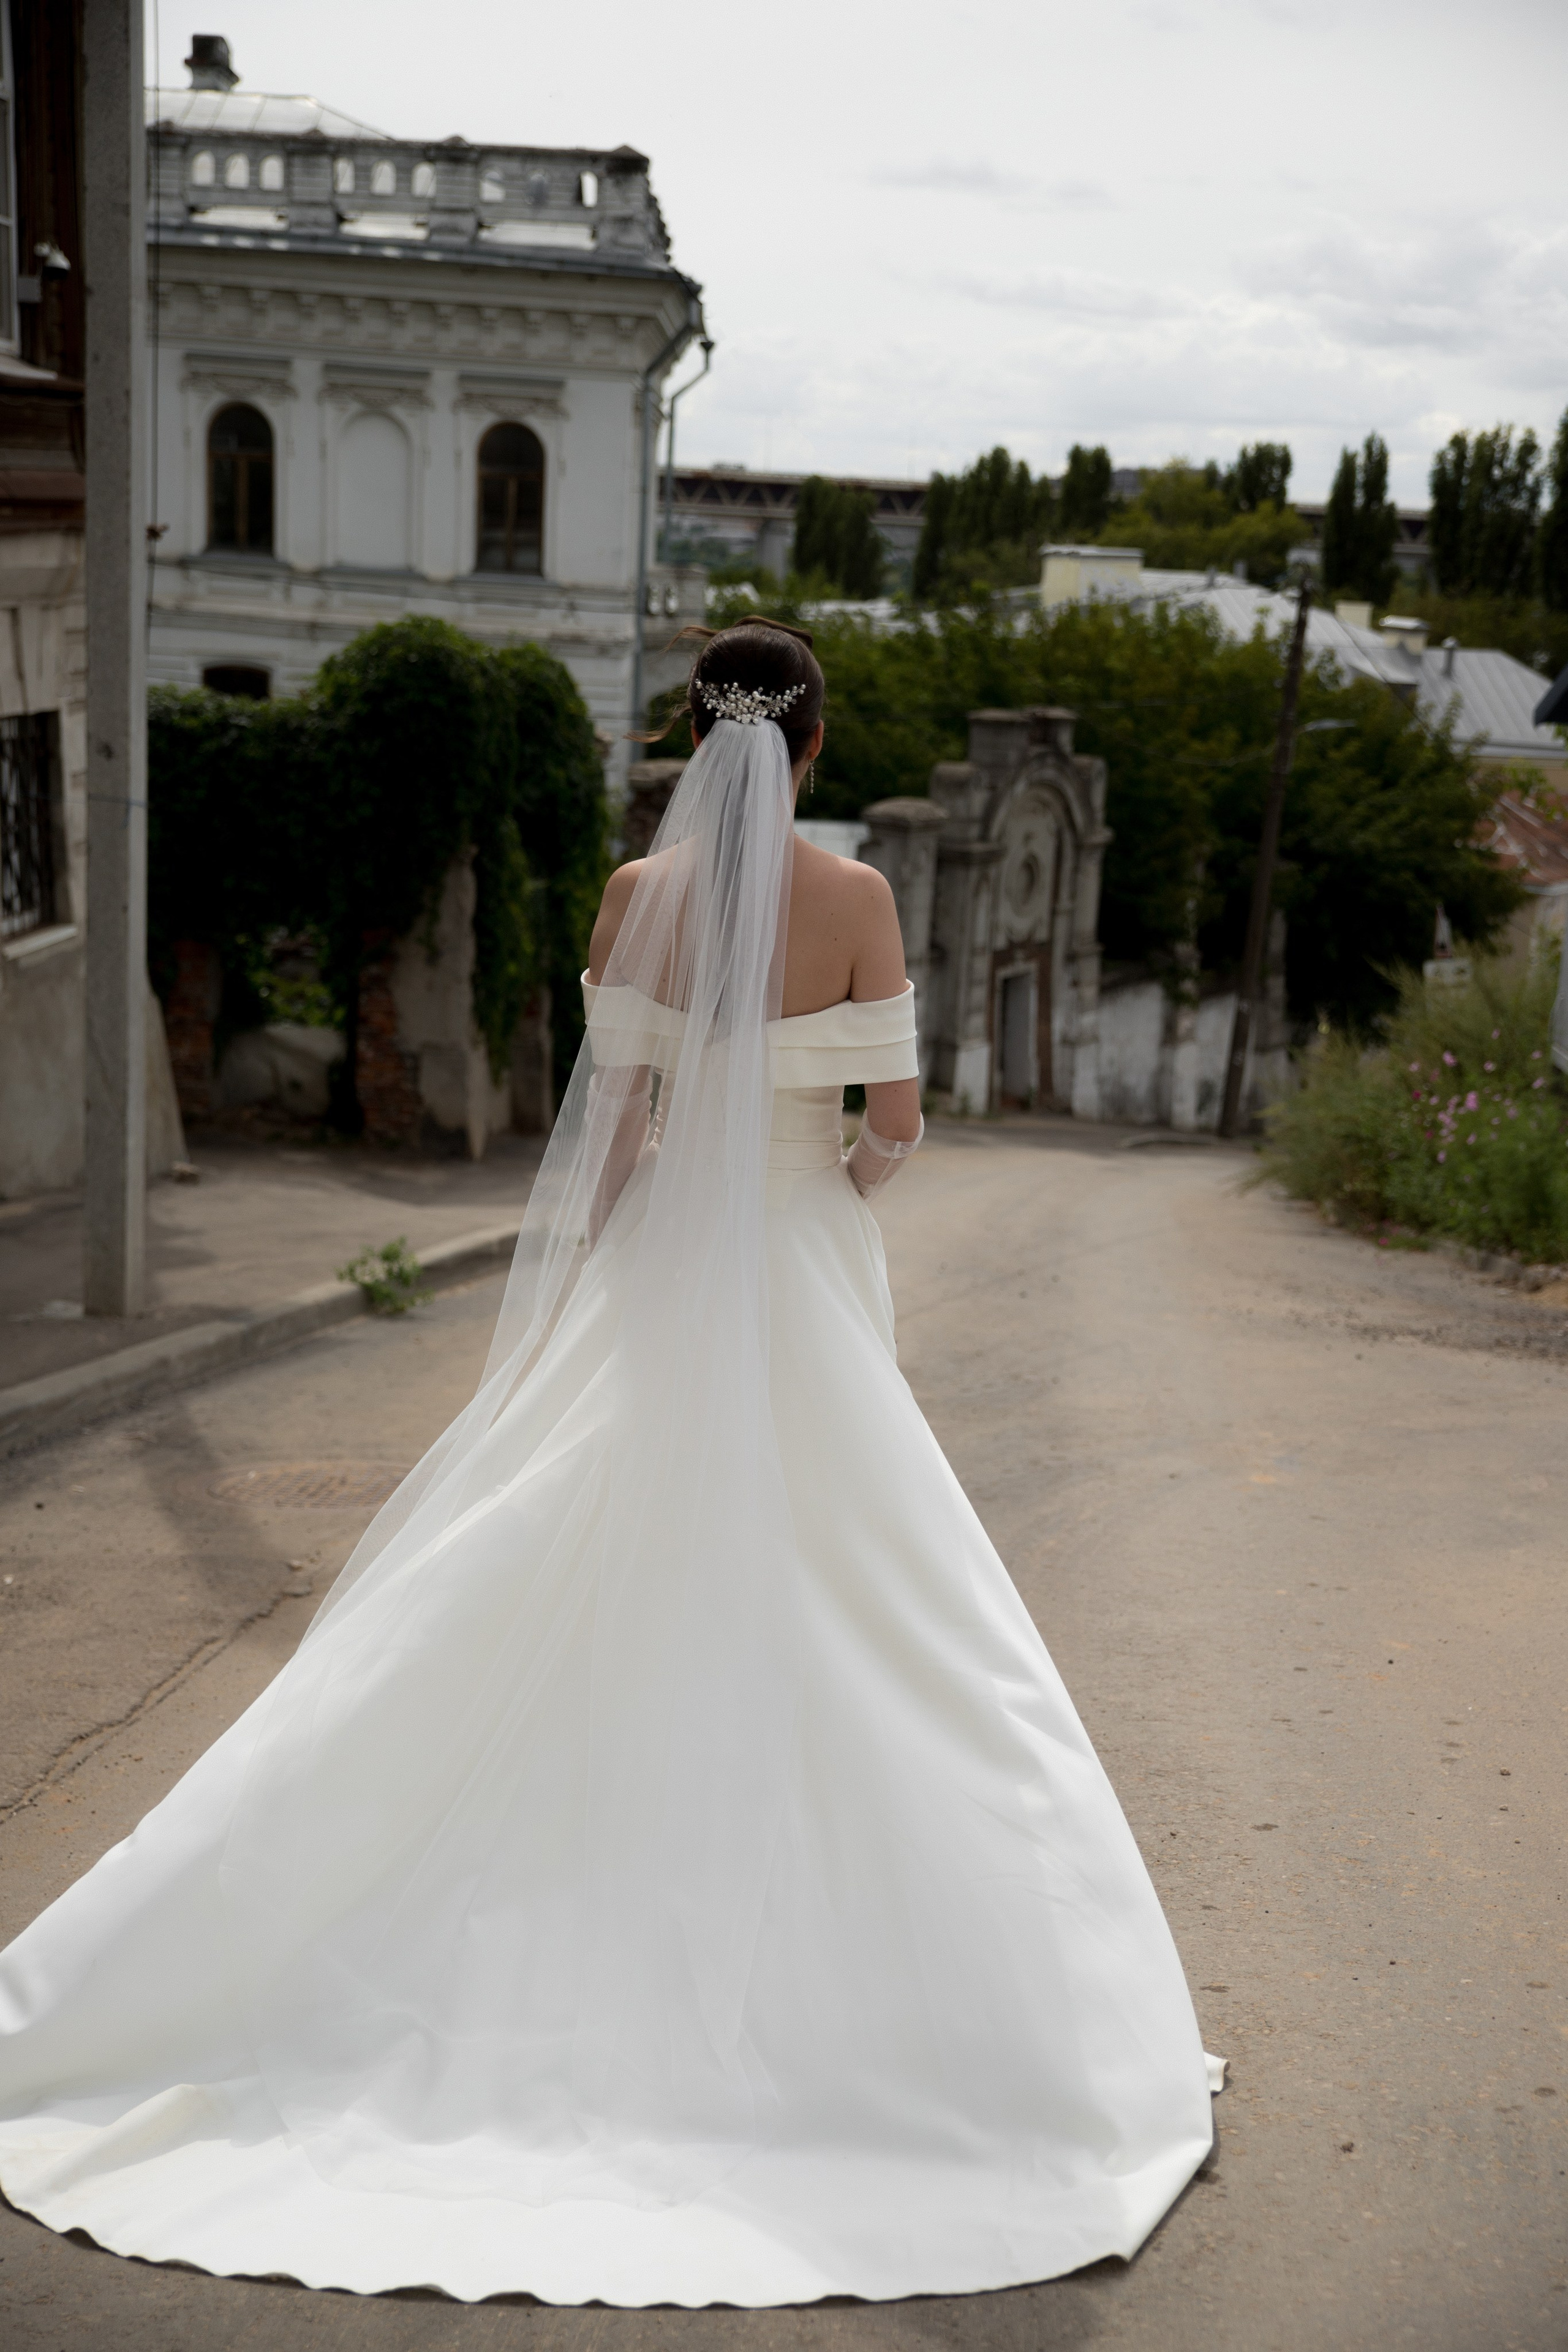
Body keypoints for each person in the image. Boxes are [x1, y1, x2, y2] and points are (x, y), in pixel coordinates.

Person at [0, 619, 1219, 2309]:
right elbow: (895, 1127)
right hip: (799, 1270)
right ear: (808, 747)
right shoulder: (860, 901)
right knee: (872, 1598)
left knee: (569, 1559)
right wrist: (825, 1189)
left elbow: (622, 1123)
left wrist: (628, 1258)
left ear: (691, 741)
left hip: (659, 1286)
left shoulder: (632, 899)